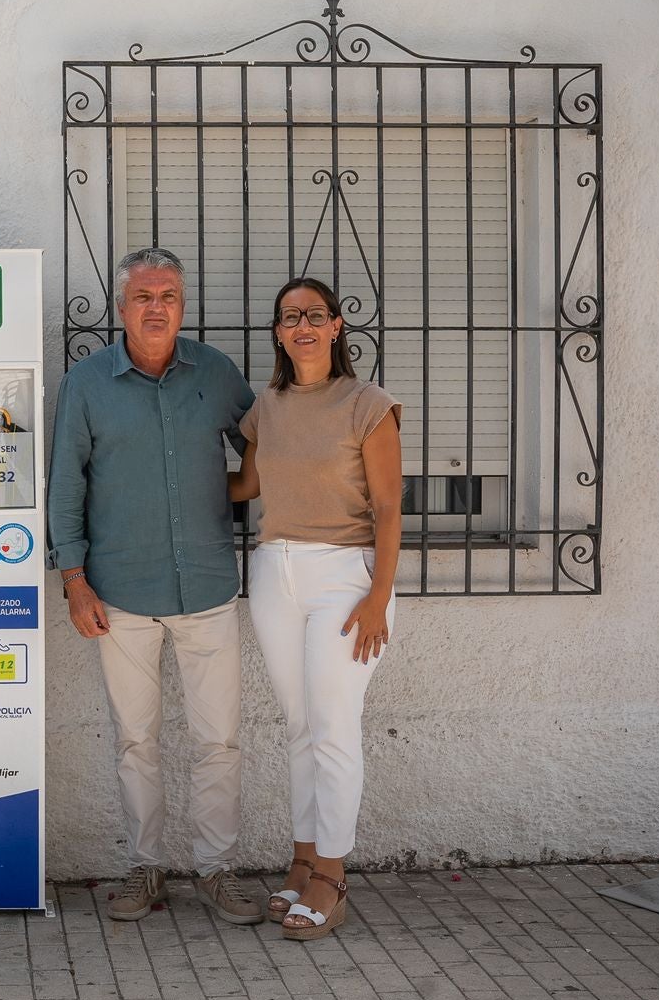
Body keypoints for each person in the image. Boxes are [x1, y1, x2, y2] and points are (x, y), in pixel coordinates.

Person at [47, 247, 262, 925]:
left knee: (217, 738)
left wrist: (239, 486)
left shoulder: (216, 373)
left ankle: (216, 869)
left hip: (205, 585)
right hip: (118, 591)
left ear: (182, 304)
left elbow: (264, 436)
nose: (155, 306)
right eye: (142, 296)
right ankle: (144, 868)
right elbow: (64, 487)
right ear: (120, 309)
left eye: (167, 294)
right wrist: (74, 581)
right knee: (135, 738)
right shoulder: (86, 383)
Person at [229, 277, 402, 941]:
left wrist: (377, 595)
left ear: (336, 326)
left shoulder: (368, 404)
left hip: (343, 577)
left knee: (332, 726)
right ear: (277, 331)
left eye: (313, 314)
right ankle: (301, 860)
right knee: (299, 725)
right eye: (288, 316)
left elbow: (388, 507)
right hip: (275, 571)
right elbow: (246, 484)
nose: (300, 324)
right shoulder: (266, 406)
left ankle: (331, 873)